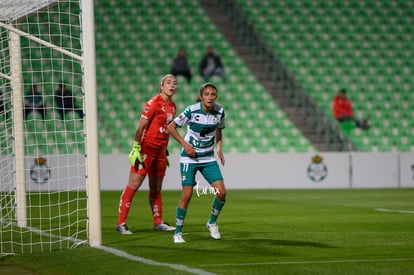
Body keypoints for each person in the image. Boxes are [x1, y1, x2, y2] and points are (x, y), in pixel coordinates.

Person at [116, 74, 178, 234]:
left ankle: (158, 222)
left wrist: (165, 151)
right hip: (146, 151)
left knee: (156, 188)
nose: (172, 85)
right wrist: (136, 147)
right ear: (161, 86)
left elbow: (167, 131)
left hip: (160, 153)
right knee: (133, 185)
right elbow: (140, 127)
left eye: (174, 83)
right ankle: (121, 223)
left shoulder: (173, 106)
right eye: (168, 83)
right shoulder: (153, 103)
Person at [167, 82, 227, 243]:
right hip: (189, 158)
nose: (210, 97)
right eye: (206, 94)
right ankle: (178, 232)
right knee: (187, 195)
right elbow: (171, 127)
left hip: (208, 158)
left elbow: (219, 131)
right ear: (201, 96)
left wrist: (219, 149)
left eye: (213, 94)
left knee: (221, 193)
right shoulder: (192, 110)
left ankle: (212, 223)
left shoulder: (220, 112)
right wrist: (186, 145)